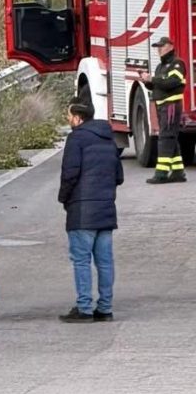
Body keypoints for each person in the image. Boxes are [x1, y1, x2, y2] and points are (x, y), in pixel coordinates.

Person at [57, 101, 124, 322]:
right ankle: (105, 308)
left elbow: (70, 173)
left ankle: (84, 308)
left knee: (81, 260)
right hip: (106, 209)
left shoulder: (76, 139)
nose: (68, 120)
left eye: (69, 116)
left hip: (82, 210)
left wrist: (63, 198)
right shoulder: (108, 138)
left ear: (78, 118)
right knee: (105, 262)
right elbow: (119, 176)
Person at [140, 35, 187, 184]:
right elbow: (158, 86)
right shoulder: (160, 66)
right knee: (170, 137)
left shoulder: (177, 63)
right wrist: (147, 82)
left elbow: (172, 82)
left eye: (162, 46)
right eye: (157, 47)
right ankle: (178, 172)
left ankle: (161, 173)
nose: (159, 49)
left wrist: (153, 79)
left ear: (170, 47)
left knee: (165, 138)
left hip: (171, 105)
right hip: (162, 106)